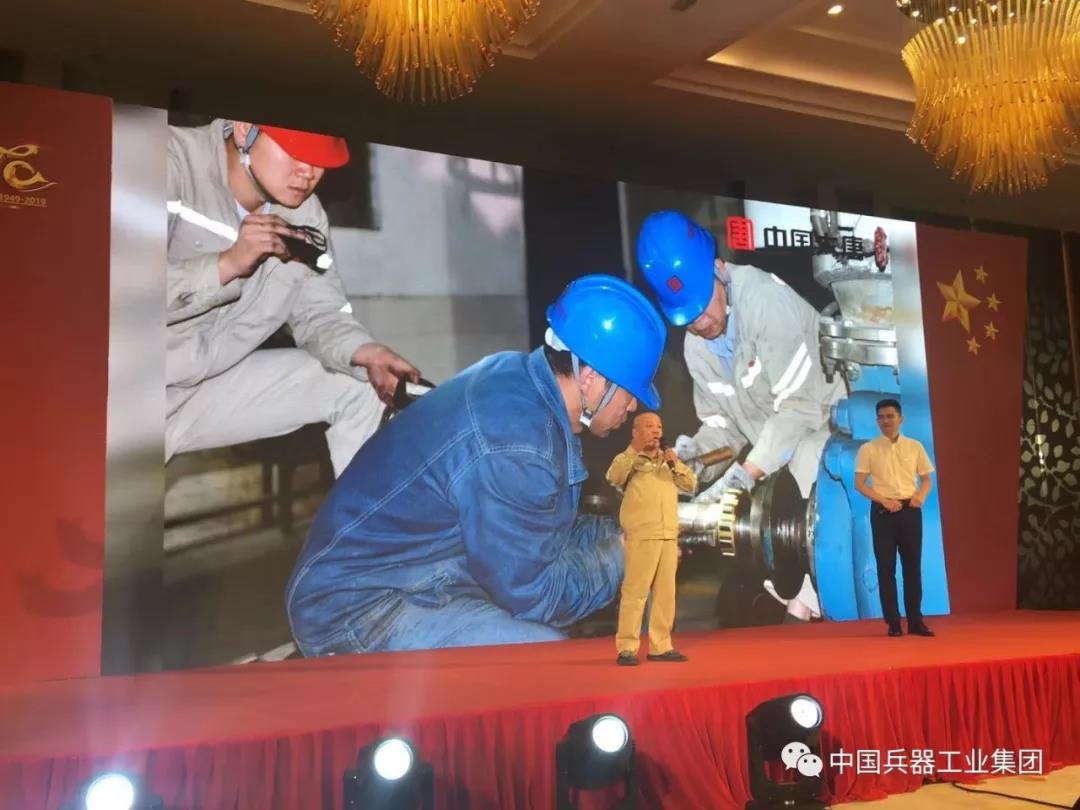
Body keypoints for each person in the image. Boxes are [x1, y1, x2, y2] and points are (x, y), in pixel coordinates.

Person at [286, 274, 668, 655]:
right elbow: (536, 596)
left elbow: (539, 532)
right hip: (356, 608)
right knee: (543, 656)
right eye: (630, 391)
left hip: (409, 575)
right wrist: (622, 555)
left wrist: (624, 530)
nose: (633, 406)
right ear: (592, 380)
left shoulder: (520, 381)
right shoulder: (517, 442)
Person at [165, 119, 419, 476]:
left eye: (320, 160)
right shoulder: (165, 160)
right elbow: (106, 295)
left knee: (358, 383)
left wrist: (365, 352)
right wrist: (225, 265)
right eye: (297, 152)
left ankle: (363, 514)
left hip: (201, 392)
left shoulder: (306, 215)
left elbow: (322, 312)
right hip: (117, 392)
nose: (308, 172)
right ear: (244, 129)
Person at [635, 210, 846, 623]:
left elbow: (800, 409)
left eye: (702, 306)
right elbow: (723, 426)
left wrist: (746, 474)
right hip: (777, 460)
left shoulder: (765, 303)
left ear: (718, 268)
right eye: (687, 317)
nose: (700, 322)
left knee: (804, 463)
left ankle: (804, 610)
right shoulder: (697, 346)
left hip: (829, 430)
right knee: (743, 592)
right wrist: (688, 462)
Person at [607, 412, 697, 666]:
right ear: (635, 432)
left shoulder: (667, 462)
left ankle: (661, 646)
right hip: (642, 535)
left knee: (665, 595)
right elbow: (613, 477)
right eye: (648, 426)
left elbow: (690, 485)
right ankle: (627, 647)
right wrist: (634, 450)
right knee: (635, 593)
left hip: (668, 536)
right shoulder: (629, 460)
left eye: (658, 426)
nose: (655, 431)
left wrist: (674, 463)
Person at [853, 398, 935, 637]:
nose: (886, 421)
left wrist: (920, 496)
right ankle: (893, 622)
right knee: (885, 568)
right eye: (881, 417)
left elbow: (927, 479)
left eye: (890, 416)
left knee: (912, 568)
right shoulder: (868, 449)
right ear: (876, 421)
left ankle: (916, 621)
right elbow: (860, 484)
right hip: (883, 512)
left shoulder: (915, 446)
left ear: (900, 419)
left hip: (910, 510)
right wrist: (883, 500)